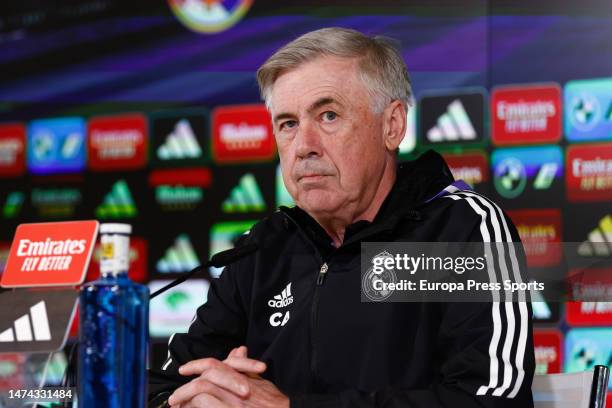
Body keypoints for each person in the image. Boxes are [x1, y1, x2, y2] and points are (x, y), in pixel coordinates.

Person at [149, 27, 534, 408]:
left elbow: (491, 400)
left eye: (328, 116)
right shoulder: (260, 248)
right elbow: (162, 385)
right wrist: (193, 403)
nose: (303, 147)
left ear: (392, 126)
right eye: (288, 124)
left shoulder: (461, 230)